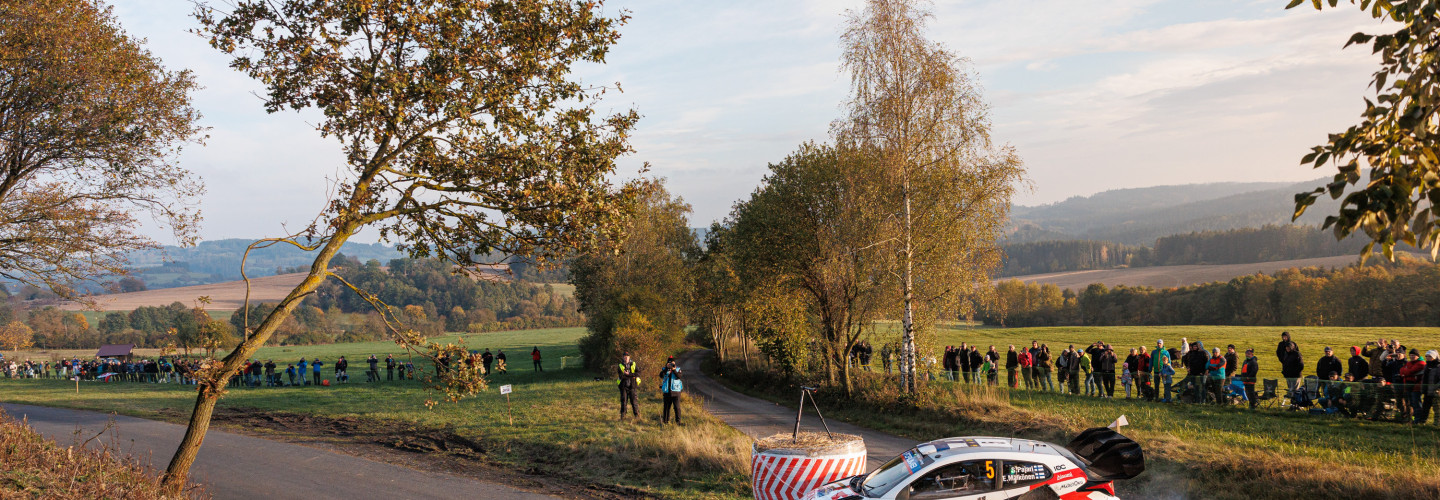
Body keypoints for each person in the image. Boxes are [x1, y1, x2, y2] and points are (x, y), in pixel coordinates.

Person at [1400, 349, 1427, 422]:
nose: (1412, 357)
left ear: (1418, 356)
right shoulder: (1409, 363)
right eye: (1410, 355)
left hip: (1416, 387)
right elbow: (1402, 370)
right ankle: (1414, 419)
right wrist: (1406, 371)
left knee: (1416, 403)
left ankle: (1418, 419)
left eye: (1413, 355)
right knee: (1411, 403)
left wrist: (1405, 372)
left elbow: (1409, 372)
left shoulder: (1421, 363)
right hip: (1409, 386)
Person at [660, 357, 683, 424]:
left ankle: (678, 422)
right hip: (667, 392)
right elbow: (661, 375)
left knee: (677, 408)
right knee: (666, 408)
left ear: (674, 363)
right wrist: (667, 369)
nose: (671, 364)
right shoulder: (665, 369)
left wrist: (674, 370)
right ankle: (665, 422)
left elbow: (679, 376)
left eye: (672, 363)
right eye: (669, 363)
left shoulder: (678, 369)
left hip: (676, 392)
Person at [617, 352, 640, 420]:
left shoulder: (634, 364)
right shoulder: (620, 365)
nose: (626, 357)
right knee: (624, 402)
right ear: (623, 357)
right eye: (624, 356)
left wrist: (628, 374)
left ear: (629, 357)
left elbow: (638, 373)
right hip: (623, 386)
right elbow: (621, 376)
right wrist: (632, 376)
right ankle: (623, 417)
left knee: (634, 402)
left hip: (632, 386)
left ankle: (637, 416)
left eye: (627, 356)